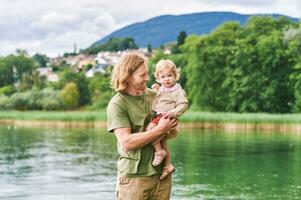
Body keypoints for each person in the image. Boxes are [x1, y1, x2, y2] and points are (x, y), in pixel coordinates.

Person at [107, 53, 177, 200]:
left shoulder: (155, 96)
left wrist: (170, 127)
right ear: (128, 76)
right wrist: (160, 129)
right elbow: (127, 142)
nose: (147, 78)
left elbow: (173, 134)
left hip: (162, 176)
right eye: (142, 75)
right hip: (134, 179)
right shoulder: (117, 104)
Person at [146, 59, 189, 180]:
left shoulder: (178, 91)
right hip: (159, 116)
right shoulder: (162, 89)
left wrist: (173, 113)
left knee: (150, 130)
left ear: (176, 76)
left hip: (167, 117)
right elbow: (158, 100)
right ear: (158, 78)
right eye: (163, 77)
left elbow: (184, 104)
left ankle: (159, 152)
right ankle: (167, 166)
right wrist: (156, 90)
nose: (167, 79)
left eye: (170, 75)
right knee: (163, 141)